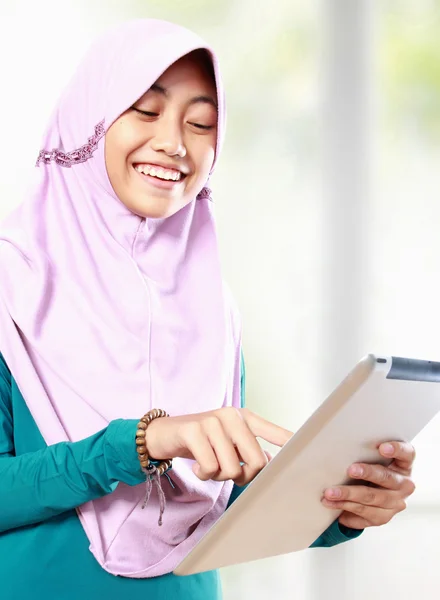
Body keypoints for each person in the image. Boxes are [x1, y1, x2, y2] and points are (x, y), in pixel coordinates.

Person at [0, 18, 415, 600]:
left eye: (201, 124)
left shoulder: (210, 305)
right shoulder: (10, 283)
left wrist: (340, 503)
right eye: (145, 111)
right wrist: (143, 442)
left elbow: (207, 504)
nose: (175, 143)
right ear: (88, 122)